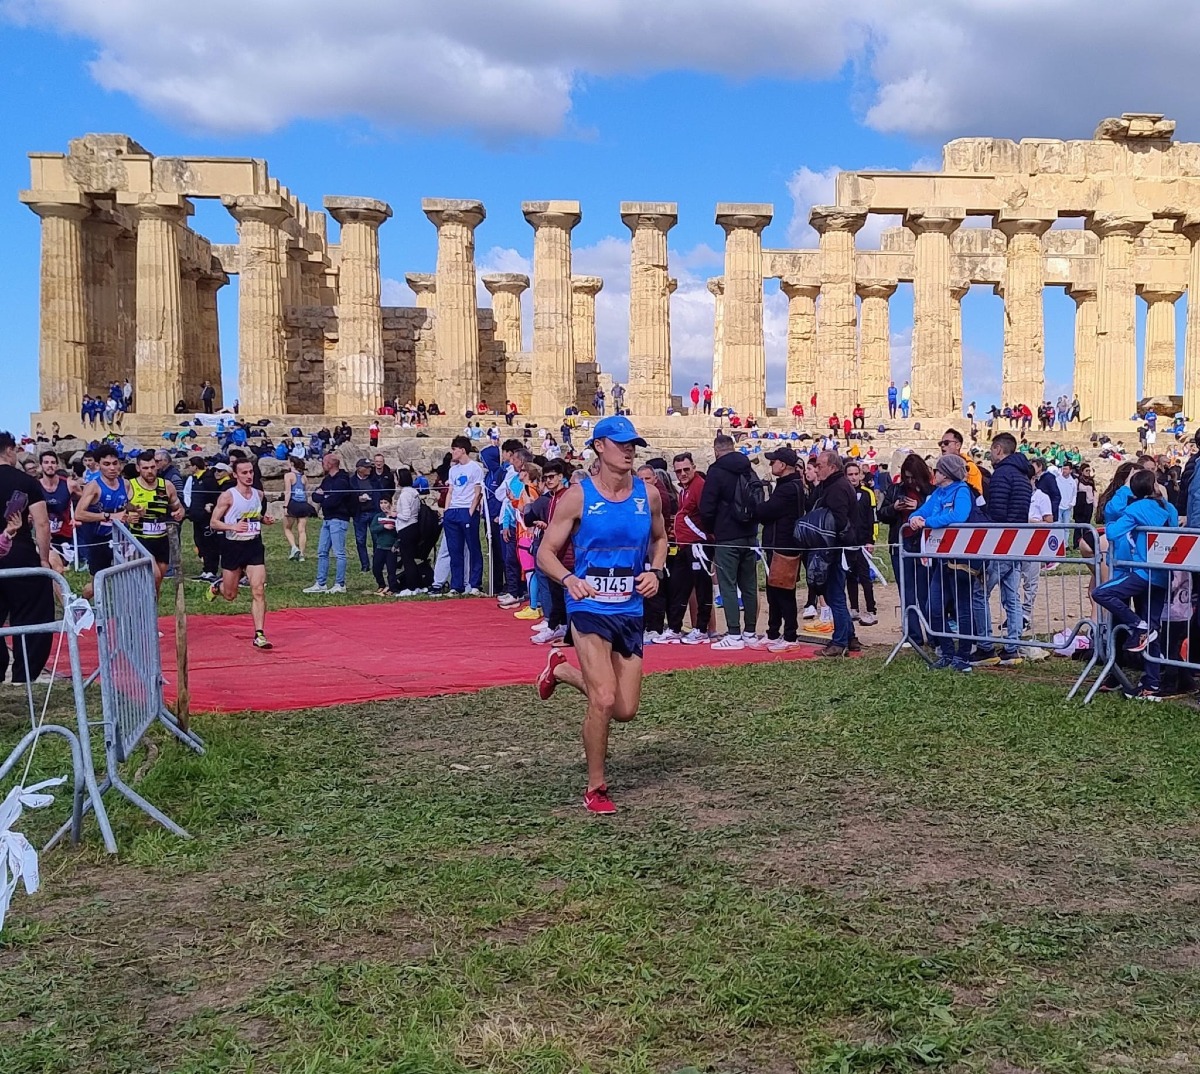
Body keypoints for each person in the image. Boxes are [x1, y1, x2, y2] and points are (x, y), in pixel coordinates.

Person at [534, 415, 668, 815]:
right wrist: (569, 579)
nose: (629, 450)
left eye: (633, 444)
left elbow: (661, 538)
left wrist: (656, 572)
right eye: (621, 443)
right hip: (588, 605)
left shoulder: (649, 495)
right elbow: (544, 553)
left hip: (629, 607)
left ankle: (559, 670)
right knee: (605, 699)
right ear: (599, 447)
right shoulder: (578, 496)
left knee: (625, 709)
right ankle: (596, 786)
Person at [1093, 469, 1179, 699]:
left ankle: (1136, 625)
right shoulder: (1170, 510)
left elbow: (1111, 532)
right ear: (1155, 487)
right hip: (1163, 575)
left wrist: (1125, 491)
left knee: (1101, 593)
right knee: (1153, 629)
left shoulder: (1136, 509)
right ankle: (1152, 684)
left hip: (1142, 572)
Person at [906, 454, 982, 672]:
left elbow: (958, 516)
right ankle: (947, 652)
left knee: (962, 608)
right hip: (942, 558)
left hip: (961, 559)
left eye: (937, 470)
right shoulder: (938, 493)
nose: (933, 474)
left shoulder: (962, 491)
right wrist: (915, 518)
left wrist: (926, 523)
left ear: (946, 474)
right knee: (933, 607)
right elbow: (923, 511)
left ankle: (963, 655)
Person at [971, 432, 1032, 666]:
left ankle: (985, 646)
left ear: (998, 449)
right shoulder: (1023, 477)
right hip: (1018, 542)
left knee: (980, 592)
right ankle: (1012, 647)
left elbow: (996, 512)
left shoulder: (1001, 475)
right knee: (1012, 596)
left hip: (1000, 543)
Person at [0, 430, 54, 686]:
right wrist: (44, 559)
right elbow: (42, 524)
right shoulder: (26, 481)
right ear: (10, 450)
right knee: (33, 613)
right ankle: (24, 674)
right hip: (18, 551)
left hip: (6, 547)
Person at [699, 434, 762, 650]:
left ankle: (734, 633)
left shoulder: (716, 472)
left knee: (728, 585)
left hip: (726, 535)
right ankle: (751, 632)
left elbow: (706, 507)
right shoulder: (748, 468)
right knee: (750, 586)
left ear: (716, 450)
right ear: (733, 448)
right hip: (750, 534)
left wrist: (712, 530)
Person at [205, 456, 275, 649]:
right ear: (235, 475)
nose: (249, 476)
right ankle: (217, 587)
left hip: (253, 545)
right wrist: (232, 526)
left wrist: (263, 520)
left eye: (251, 472)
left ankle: (259, 634)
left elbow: (253, 515)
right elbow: (213, 522)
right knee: (230, 595)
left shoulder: (258, 495)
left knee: (258, 590)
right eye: (244, 473)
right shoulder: (228, 496)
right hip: (232, 547)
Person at [877, 452, 933, 646]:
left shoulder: (931, 492)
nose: (909, 481)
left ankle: (933, 634)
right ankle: (913, 635)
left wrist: (920, 506)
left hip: (924, 545)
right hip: (900, 544)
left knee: (925, 592)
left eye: (912, 477)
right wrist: (894, 508)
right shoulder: (895, 490)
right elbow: (881, 514)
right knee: (906, 591)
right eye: (906, 476)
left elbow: (937, 512)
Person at [756, 447, 806, 650]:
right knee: (773, 590)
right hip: (777, 545)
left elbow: (767, 512)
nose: (770, 464)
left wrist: (755, 504)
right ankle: (773, 632)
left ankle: (790, 636)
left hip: (784, 546)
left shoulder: (788, 488)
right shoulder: (790, 485)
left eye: (773, 461)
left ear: (783, 465)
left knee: (784, 592)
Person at [810, 450, 859, 657]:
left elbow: (838, 521)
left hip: (835, 549)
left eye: (820, 466)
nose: (817, 469)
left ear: (832, 467)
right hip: (836, 548)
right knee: (836, 594)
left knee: (835, 595)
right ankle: (849, 636)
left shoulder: (837, 488)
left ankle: (840, 642)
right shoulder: (834, 486)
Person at [126, 449, 186, 595]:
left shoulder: (166, 485)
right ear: (138, 468)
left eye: (153, 467)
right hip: (140, 538)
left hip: (161, 538)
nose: (150, 471)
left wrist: (179, 513)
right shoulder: (130, 486)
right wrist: (128, 516)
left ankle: (150, 615)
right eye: (145, 468)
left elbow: (178, 507)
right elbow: (121, 508)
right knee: (154, 576)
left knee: (157, 583)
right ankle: (141, 611)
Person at [304, 453, 354, 595]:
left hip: (338, 519)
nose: (322, 464)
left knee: (339, 553)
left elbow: (334, 501)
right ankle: (321, 583)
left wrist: (324, 497)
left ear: (330, 464)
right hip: (327, 519)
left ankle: (340, 583)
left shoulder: (343, 481)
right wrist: (325, 496)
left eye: (324, 462)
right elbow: (315, 496)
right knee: (322, 551)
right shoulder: (327, 480)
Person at [443, 435, 485, 596]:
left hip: (467, 509)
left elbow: (477, 492)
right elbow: (451, 491)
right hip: (453, 511)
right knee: (455, 550)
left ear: (462, 450)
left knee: (473, 547)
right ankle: (456, 585)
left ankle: (475, 584)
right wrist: (447, 511)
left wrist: (470, 511)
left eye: (454, 449)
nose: (452, 452)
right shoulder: (453, 469)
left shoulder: (475, 468)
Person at [843, 460, 878, 627]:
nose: (853, 477)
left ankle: (871, 609)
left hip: (863, 542)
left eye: (856, 474)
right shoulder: (842, 493)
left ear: (861, 475)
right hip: (848, 542)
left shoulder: (867, 494)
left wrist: (871, 540)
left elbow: (873, 518)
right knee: (850, 576)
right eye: (850, 474)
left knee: (865, 577)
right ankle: (854, 608)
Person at [38, 449, 74, 569]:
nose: (50, 465)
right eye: (46, 462)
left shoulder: (69, 484)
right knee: (53, 568)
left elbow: (86, 500)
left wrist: (78, 517)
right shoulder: (35, 486)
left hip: (64, 534)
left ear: (57, 465)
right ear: (41, 465)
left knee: (60, 569)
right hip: (42, 533)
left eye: (53, 462)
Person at [392, 469, 425, 595]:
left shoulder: (405, 494)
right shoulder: (414, 492)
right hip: (413, 527)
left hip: (406, 528)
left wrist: (394, 514)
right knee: (410, 559)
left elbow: (405, 515)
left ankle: (411, 587)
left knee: (407, 559)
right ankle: (417, 585)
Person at [349, 458, 378, 573]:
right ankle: (365, 565)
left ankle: (377, 563)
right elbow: (348, 496)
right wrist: (358, 499)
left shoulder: (374, 480)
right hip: (359, 513)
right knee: (360, 540)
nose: (370, 469)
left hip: (373, 512)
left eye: (370, 467)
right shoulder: (351, 481)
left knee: (376, 539)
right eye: (367, 467)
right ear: (359, 469)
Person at [282, 456, 313, 561]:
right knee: (302, 530)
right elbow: (306, 491)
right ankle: (302, 555)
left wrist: (285, 506)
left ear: (291, 464)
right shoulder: (304, 477)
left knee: (287, 528)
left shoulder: (288, 476)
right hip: (303, 504)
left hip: (293, 503)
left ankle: (294, 548)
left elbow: (288, 492)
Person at [939, 428, 983, 497]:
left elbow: (977, 494)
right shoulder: (942, 467)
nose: (942, 445)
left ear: (958, 446)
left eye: (946, 443)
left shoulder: (970, 467)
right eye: (940, 443)